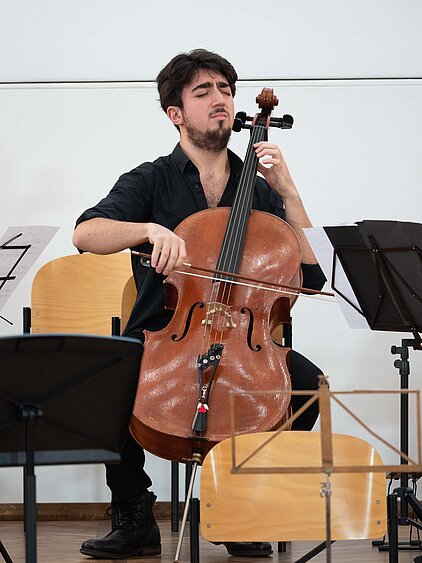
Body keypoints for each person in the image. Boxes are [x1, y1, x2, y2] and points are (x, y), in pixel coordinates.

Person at [73, 48, 326, 560]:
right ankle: (134, 514)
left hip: (244, 337)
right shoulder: (150, 179)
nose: (220, 100)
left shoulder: (259, 191)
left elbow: (313, 277)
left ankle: (235, 505)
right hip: (166, 330)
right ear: (176, 113)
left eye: (226, 90)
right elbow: (86, 233)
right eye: (203, 91)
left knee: (307, 387)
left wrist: (290, 193)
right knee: (107, 378)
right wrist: (147, 229)